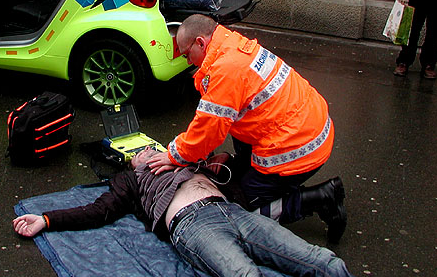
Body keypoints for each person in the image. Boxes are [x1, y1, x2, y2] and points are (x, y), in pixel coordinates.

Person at [13, 148, 437, 277]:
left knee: (317, 260)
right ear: (129, 161)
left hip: (233, 212)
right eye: (137, 153)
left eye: (148, 147)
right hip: (192, 227)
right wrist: (48, 218)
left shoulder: (185, 154)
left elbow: (237, 180)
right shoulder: (129, 181)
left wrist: (215, 166)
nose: (145, 152)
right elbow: (98, 212)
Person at [146, 14, 346, 243]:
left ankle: (320, 198)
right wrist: (233, 161)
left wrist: (175, 155)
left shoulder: (224, 70)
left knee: (242, 210)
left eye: (187, 54)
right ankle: (249, 169)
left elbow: (207, 131)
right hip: (309, 129)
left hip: (297, 147)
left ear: (200, 43)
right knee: (237, 156)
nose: (189, 61)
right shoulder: (232, 44)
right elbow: (241, 114)